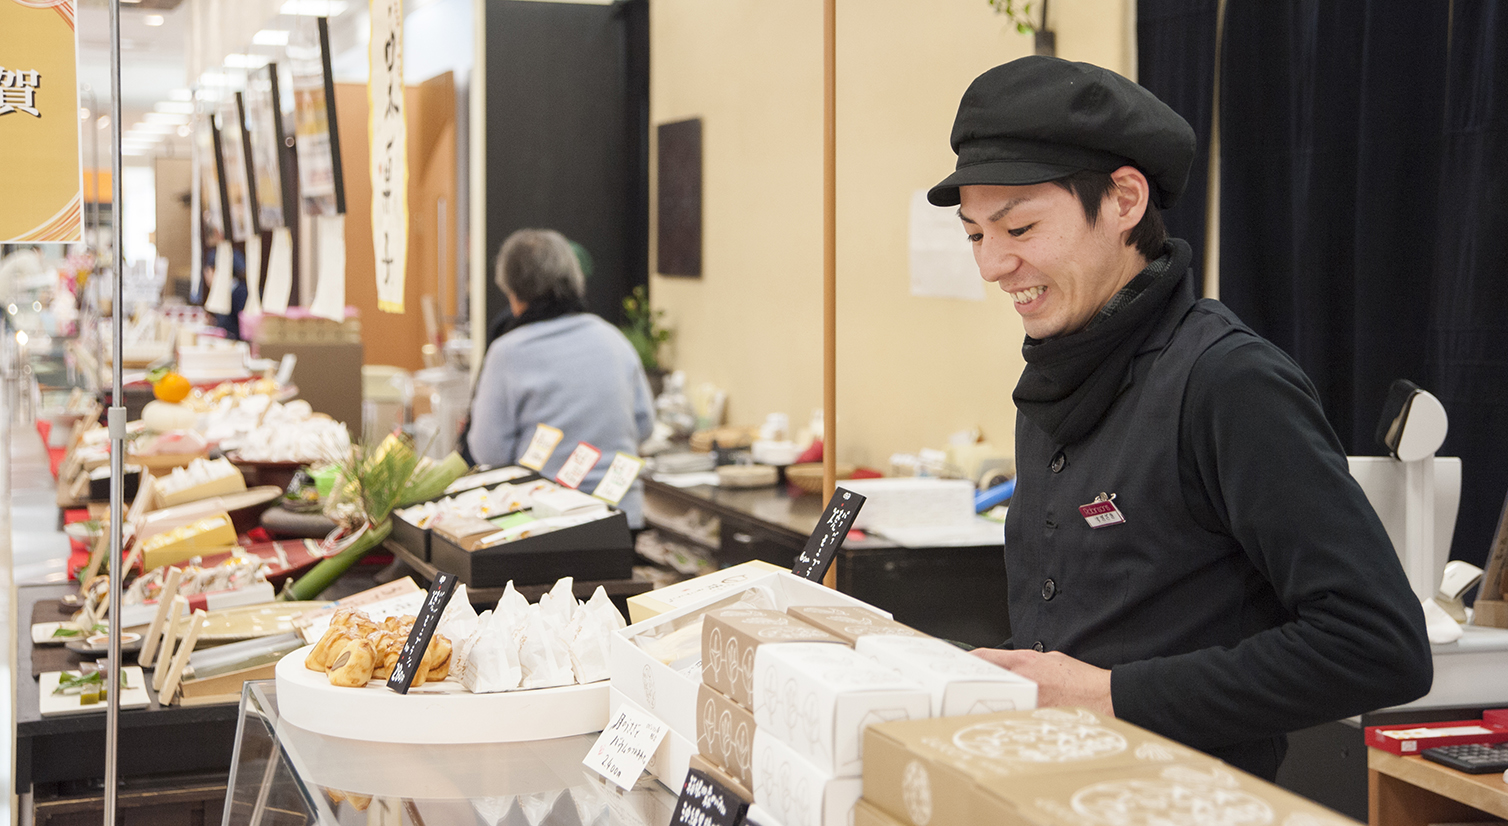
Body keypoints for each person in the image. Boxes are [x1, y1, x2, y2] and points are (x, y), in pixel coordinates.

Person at [932, 57, 1432, 780]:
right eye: (976, 235)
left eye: (1020, 226)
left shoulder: (1228, 381)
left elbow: (1379, 645)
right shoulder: (1054, 374)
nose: (993, 265)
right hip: (1051, 791)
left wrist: (1110, 695)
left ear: (1125, 200)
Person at [467, 229, 655, 527]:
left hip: (544, 522)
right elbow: (644, 425)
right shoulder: (613, 339)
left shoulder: (507, 353)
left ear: (513, 293)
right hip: (620, 518)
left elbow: (489, 450)